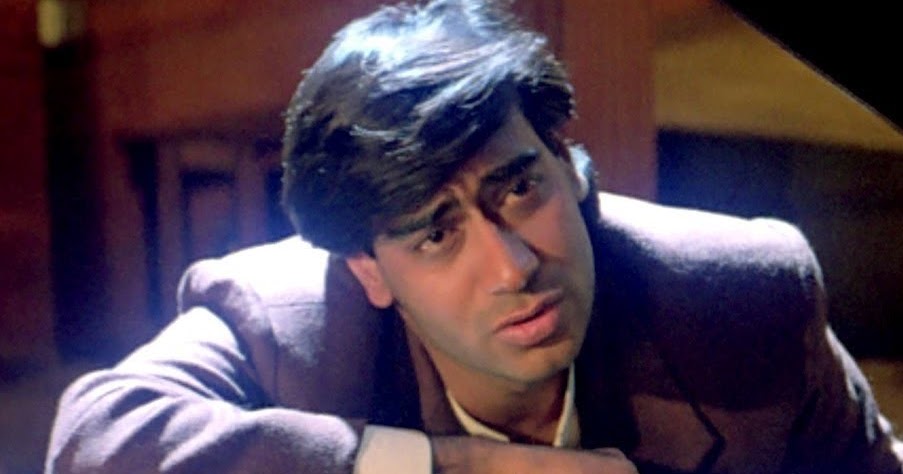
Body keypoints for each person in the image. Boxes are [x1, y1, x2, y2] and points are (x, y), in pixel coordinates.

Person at [46, 1, 903, 473]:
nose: (512, 265)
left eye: (519, 189)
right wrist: (460, 470)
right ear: (368, 270)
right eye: (434, 233)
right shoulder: (282, 322)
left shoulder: (744, 294)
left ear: (566, 162)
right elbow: (94, 444)